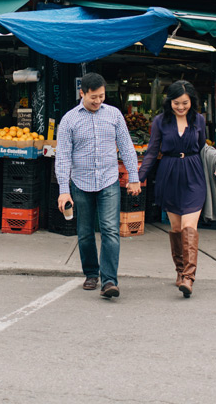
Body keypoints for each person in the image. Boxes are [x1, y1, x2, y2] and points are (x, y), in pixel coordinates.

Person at [56, 73, 141, 300]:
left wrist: (134, 176)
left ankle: (110, 280)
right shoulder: (69, 120)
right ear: (82, 93)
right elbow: (63, 157)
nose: (98, 101)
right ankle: (91, 273)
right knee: (85, 233)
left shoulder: (114, 115)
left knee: (110, 230)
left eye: (101, 96)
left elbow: (126, 146)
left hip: (108, 181)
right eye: (93, 97)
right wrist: (63, 189)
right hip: (81, 183)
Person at [138, 80, 216, 298]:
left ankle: (189, 277)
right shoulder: (160, 121)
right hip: (169, 174)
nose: (180, 107)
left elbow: (204, 148)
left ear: (191, 102)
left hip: (194, 174)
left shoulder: (199, 119)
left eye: (184, 103)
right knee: (176, 228)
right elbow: (151, 152)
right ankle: (179, 271)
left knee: (189, 225)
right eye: (176, 103)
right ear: (170, 102)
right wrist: (139, 178)